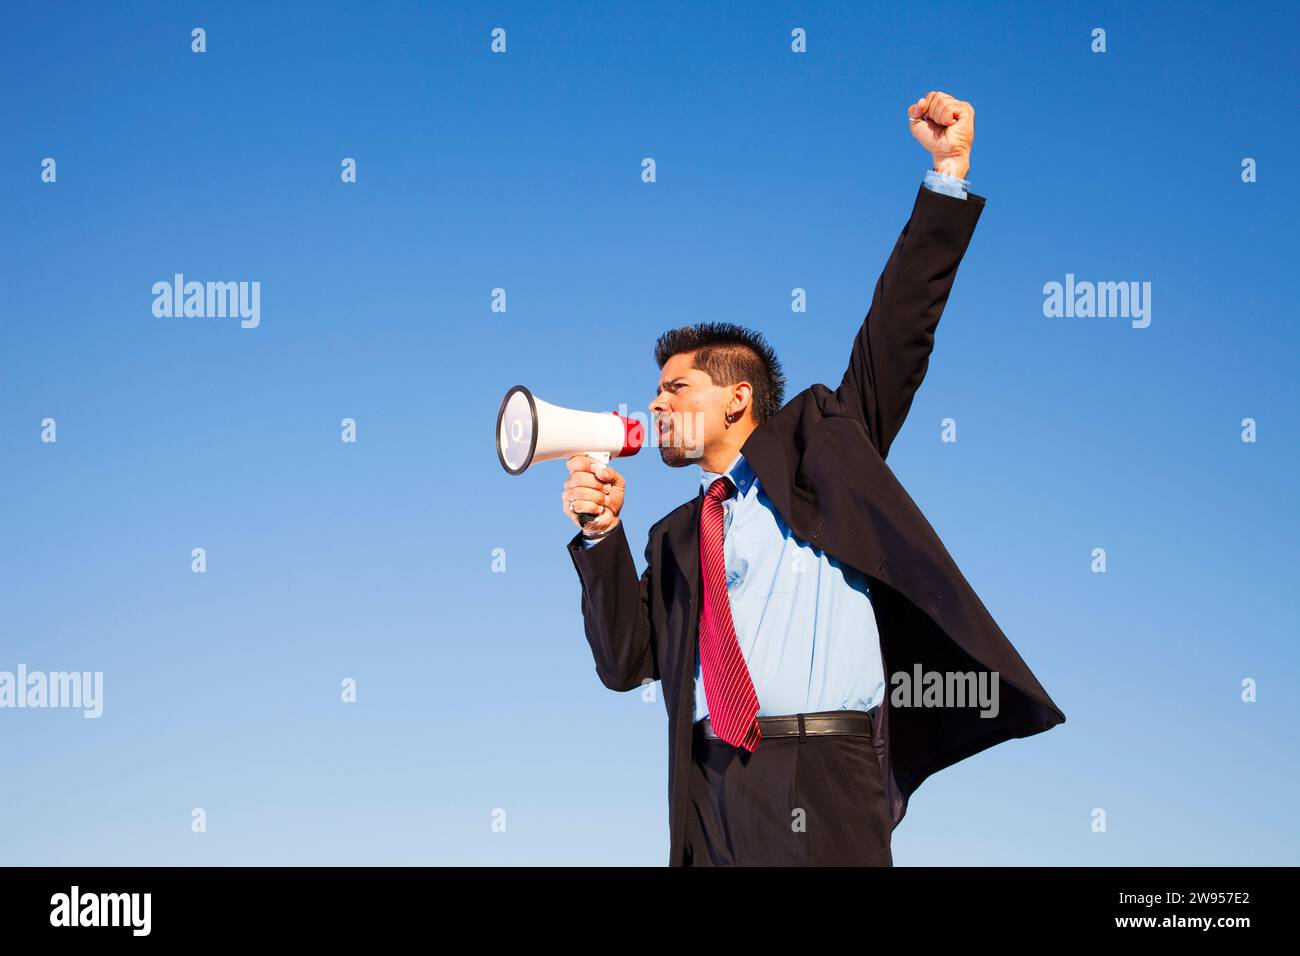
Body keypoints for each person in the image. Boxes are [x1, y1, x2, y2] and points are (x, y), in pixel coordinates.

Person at [562, 91, 1066, 866]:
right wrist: (600, 534)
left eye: (675, 388)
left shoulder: (821, 447)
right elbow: (624, 663)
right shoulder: (673, 539)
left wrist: (946, 177)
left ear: (736, 398)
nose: (655, 403)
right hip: (709, 788)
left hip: (823, 771)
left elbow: (898, 335)